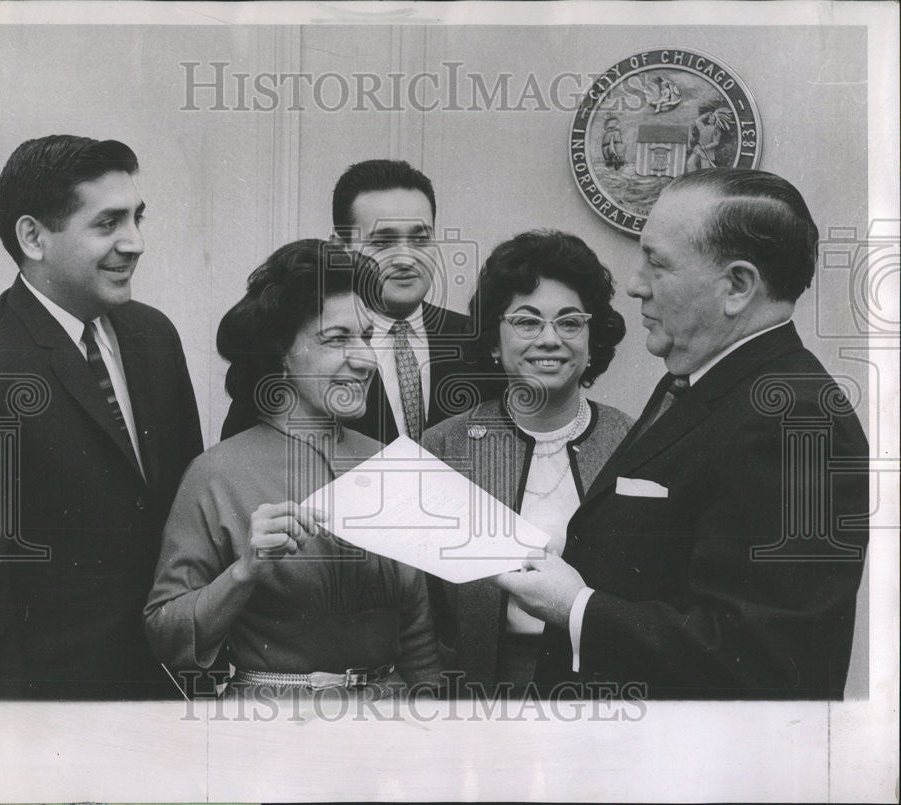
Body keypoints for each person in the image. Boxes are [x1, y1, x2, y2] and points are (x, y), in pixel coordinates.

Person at [493, 168, 868, 699]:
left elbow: (771, 662)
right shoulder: (698, 381)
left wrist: (576, 608)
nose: (634, 283)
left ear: (737, 287)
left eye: (657, 262)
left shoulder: (797, 421)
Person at [0, 135, 203, 699]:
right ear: (33, 237)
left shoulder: (154, 335)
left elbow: (188, 510)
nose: (135, 243)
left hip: (170, 688)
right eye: (108, 224)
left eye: (137, 219)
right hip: (55, 709)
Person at [145, 239, 441, 698]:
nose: (364, 359)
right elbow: (166, 633)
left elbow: (419, 634)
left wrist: (436, 728)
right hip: (271, 730)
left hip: (393, 727)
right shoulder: (215, 474)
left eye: (366, 336)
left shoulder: (392, 464)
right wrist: (245, 571)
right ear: (281, 352)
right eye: (337, 338)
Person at [420, 231, 632, 695]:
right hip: (475, 696)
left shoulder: (634, 444)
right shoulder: (442, 449)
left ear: (593, 338)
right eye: (527, 321)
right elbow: (418, 613)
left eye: (570, 322)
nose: (550, 340)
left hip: (606, 694)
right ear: (494, 341)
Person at [220, 159, 481, 444]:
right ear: (340, 248)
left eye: (420, 239)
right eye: (383, 242)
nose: (406, 259)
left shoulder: (476, 340)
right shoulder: (294, 345)